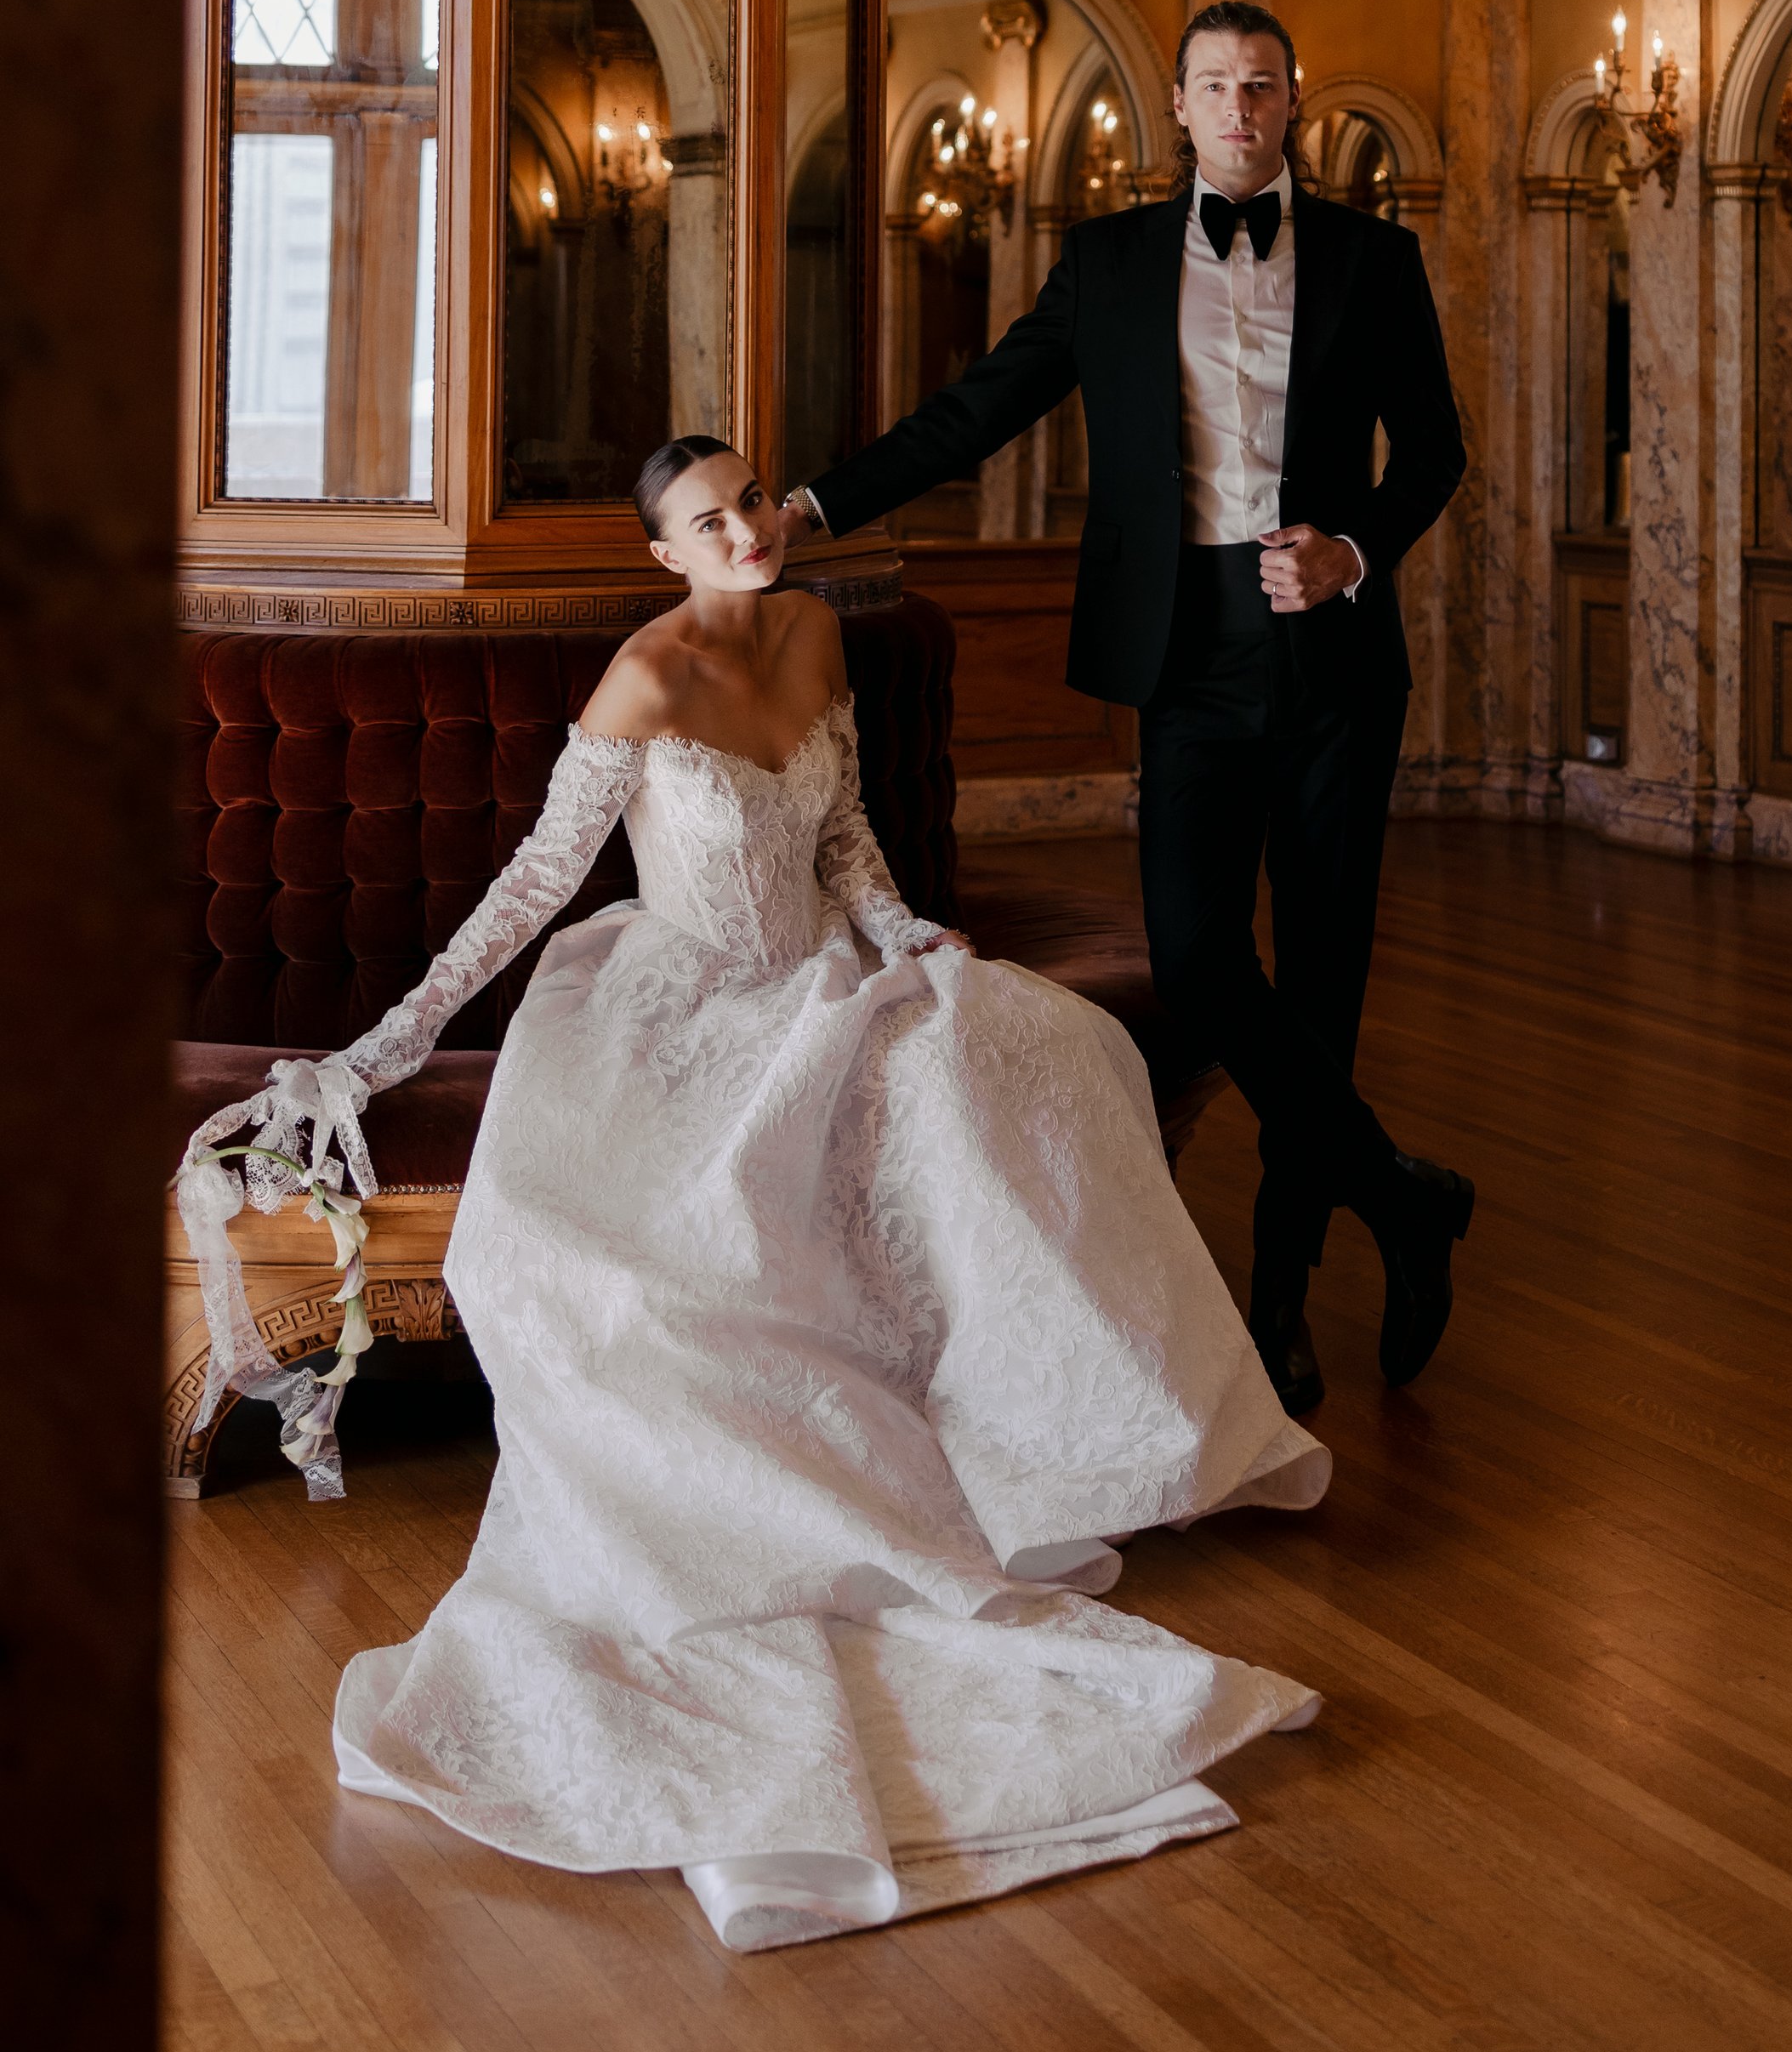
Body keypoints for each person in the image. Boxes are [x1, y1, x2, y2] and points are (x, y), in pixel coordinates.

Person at [176, 439, 1327, 1953]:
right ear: (666, 554)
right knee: (650, 1274)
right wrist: (385, 1050)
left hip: (828, 983)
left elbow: (843, 835)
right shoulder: (643, 680)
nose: (749, 532)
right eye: (709, 523)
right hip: (673, 1009)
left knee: (1040, 1046)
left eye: (757, 501)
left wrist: (908, 934)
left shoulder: (813, 628)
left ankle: (1052, 1456)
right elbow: (535, 884)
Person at [783, 0, 1471, 1422]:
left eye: (1264, 85)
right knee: (1207, 961)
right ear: (1179, 105)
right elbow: (975, 411)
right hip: (1189, 659)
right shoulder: (1103, 265)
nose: (1241, 108)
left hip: (1335, 659)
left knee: (1325, 982)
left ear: (1296, 102)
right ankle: (1402, 1195)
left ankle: (1280, 1312)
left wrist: (1355, 550)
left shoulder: (1374, 258)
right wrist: (817, 503)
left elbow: (1439, 453)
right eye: (1215, 86)